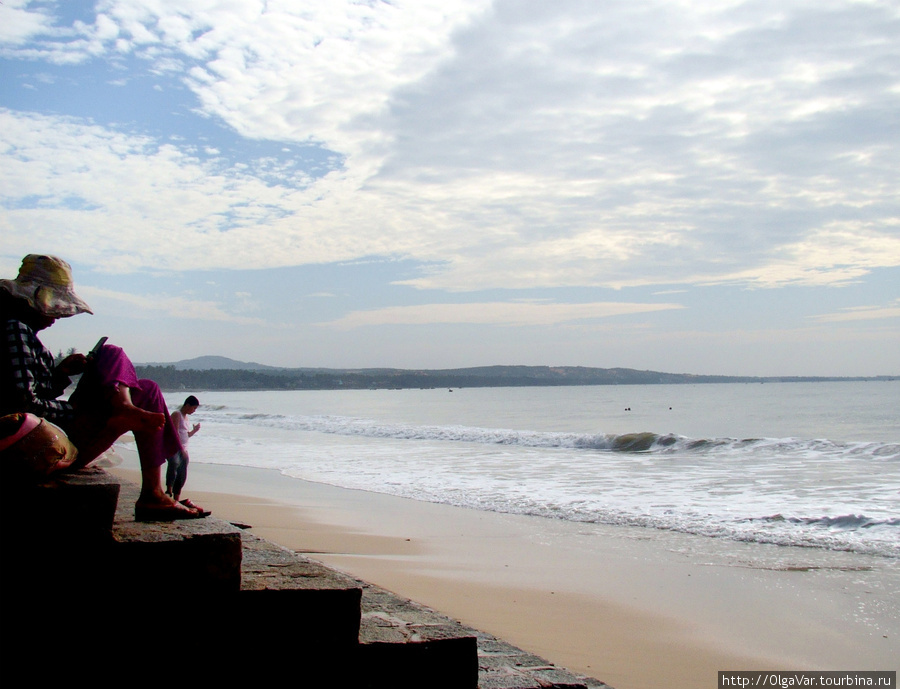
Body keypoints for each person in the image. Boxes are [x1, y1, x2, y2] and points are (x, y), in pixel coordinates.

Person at [1, 254, 207, 520]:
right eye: (52, 306)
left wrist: (62, 373)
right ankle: (152, 492)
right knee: (122, 364)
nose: (56, 317)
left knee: (145, 386)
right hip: (38, 441)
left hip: (43, 428)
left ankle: (127, 414)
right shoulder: (15, 330)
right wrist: (75, 412)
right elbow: (23, 405)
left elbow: (26, 391)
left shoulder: (20, 331)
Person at [165, 395, 208, 515]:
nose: (194, 411)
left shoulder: (186, 418)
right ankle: (169, 491)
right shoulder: (176, 414)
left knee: (182, 473)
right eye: (193, 408)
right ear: (187, 405)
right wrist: (180, 448)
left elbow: (185, 434)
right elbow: (174, 432)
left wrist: (194, 431)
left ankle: (177, 497)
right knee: (173, 465)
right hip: (175, 448)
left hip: (184, 449)